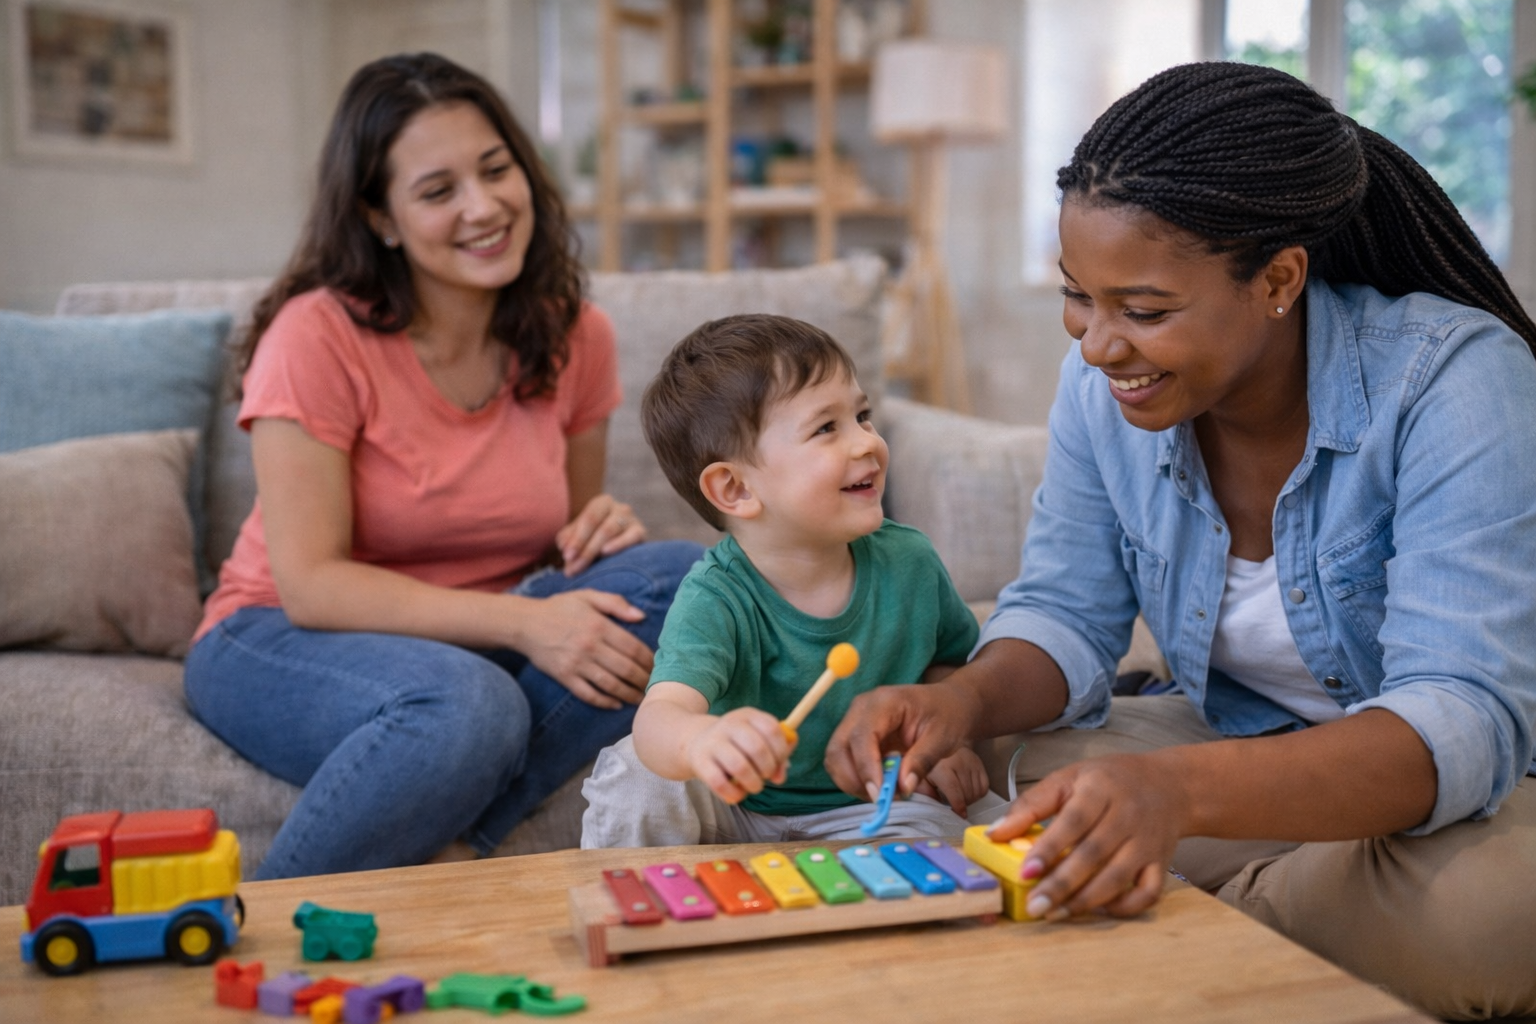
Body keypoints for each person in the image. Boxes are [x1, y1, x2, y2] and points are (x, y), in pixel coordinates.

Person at [824, 61, 1536, 1020]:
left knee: (1497, 915)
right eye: (1079, 297)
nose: (1096, 346)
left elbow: (1460, 717)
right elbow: (1066, 610)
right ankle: (1260, 922)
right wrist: (962, 701)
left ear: (1279, 278)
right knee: (1002, 772)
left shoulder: (1452, 379)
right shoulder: (1101, 390)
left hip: (1444, 786)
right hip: (1237, 739)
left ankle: (1174, 928)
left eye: (1144, 311)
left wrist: (1181, 796)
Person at [182, 53, 703, 879]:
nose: (484, 206)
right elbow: (312, 583)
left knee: (691, 581)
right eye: (437, 190)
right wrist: (529, 624)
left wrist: (597, 535)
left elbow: (558, 550)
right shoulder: (316, 337)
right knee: (465, 704)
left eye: (496, 170)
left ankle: (458, 837)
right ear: (381, 218)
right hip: (283, 630)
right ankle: (266, 935)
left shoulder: (577, 334)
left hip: (482, 623)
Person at [580, 314, 1006, 847]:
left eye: (862, 415)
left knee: (955, 834)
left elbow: (951, 664)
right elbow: (660, 716)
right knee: (637, 778)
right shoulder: (716, 595)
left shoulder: (910, 561)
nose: (865, 443)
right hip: (735, 812)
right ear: (734, 489)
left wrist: (944, 743)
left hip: (870, 805)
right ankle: (641, 907)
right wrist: (701, 740)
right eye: (826, 428)